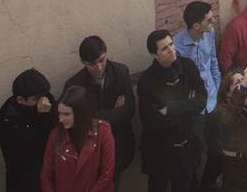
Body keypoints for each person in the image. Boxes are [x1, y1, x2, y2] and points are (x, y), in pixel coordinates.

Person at [137, 29, 207, 192]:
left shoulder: (187, 67)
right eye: (164, 48)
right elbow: (151, 121)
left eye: (171, 44)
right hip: (160, 151)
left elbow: (201, 100)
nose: (171, 50)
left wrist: (171, 108)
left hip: (187, 146)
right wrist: (187, 108)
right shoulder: (147, 82)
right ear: (154, 55)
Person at [62, 36, 136, 180]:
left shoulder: (120, 72)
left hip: (118, 147)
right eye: (92, 64)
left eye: (102, 60)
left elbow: (129, 111)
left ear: (106, 53)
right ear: (83, 63)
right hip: (89, 152)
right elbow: (72, 121)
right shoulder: (74, 84)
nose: (99, 67)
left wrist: (91, 115)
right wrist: (113, 112)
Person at [174, 1, 224, 192]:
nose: (213, 20)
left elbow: (212, 62)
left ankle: (208, 184)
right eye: (209, 19)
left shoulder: (209, 34)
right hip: (194, 110)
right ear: (196, 26)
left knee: (217, 152)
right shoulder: (177, 46)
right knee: (193, 156)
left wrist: (218, 91)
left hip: (212, 103)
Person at [39, 86, 115, 192]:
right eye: (59, 113)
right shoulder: (56, 134)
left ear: (81, 112)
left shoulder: (103, 131)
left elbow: (107, 173)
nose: (61, 119)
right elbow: (46, 176)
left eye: (66, 114)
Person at [0, 68, 57, 192]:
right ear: (20, 100)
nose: (42, 102)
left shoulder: (45, 99)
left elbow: (57, 132)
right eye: (35, 99)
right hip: (26, 179)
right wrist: (41, 117)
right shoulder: (7, 120)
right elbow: (24, 156)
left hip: (51, 171)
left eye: (43, 96)